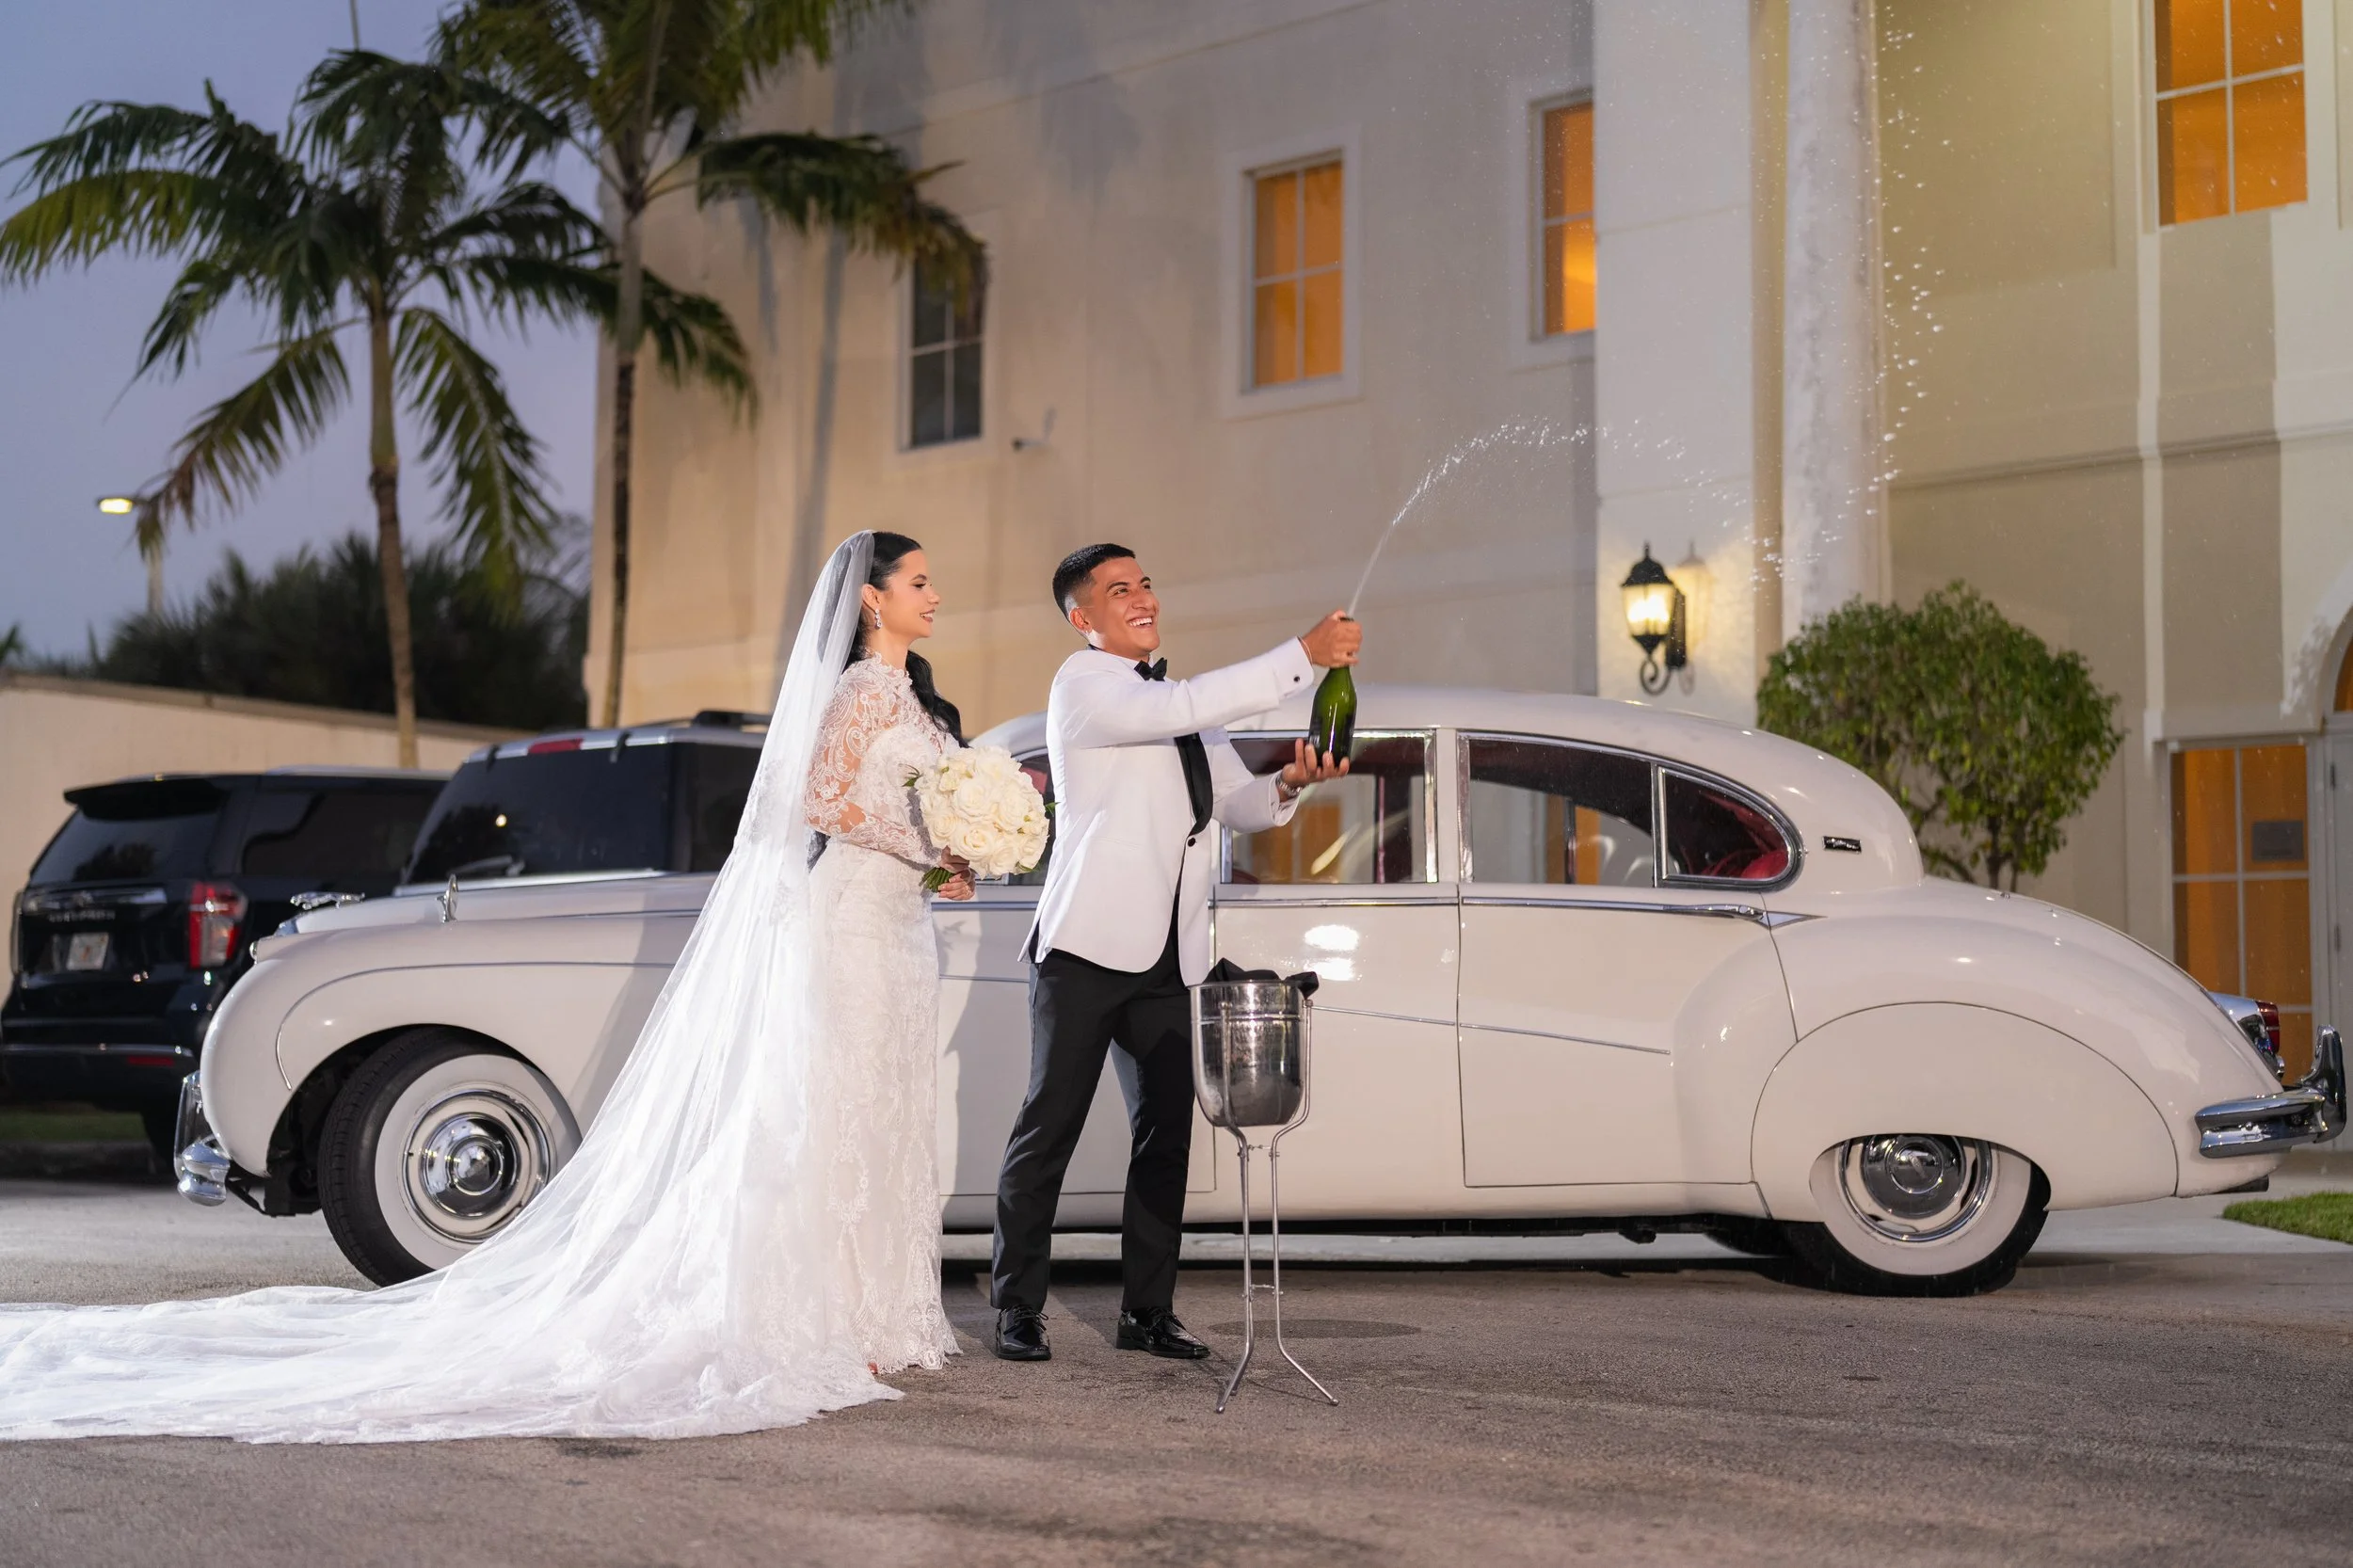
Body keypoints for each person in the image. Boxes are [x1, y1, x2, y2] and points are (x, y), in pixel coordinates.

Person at [0, 531, 974, 1443]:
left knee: (887, 1108)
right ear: (870, 600)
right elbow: (825, 801)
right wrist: (929, 836)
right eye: (919, 582)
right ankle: (831, 1315)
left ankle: (879, 1310)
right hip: (849, 920)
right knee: (841, 1105)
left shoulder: (918, 703)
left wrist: (959, 851)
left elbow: (913, 798)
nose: (934, 595)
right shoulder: (856, 693)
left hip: (899, 925)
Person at [989, 544, 1361, 1362]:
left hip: (1172, 957)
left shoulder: (1176, 700)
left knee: (1167, 1139)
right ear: (1085, 618)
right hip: (1086, 949)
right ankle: (1018, 1307)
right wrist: (1302, 655)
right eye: (1119, 590)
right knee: (1047, 1131)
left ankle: (1146, 1314)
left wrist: (1292, 785)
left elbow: (1238, 804)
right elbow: (1189, 704)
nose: (1142, 598)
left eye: (1146, 582)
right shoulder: (1083, 686)